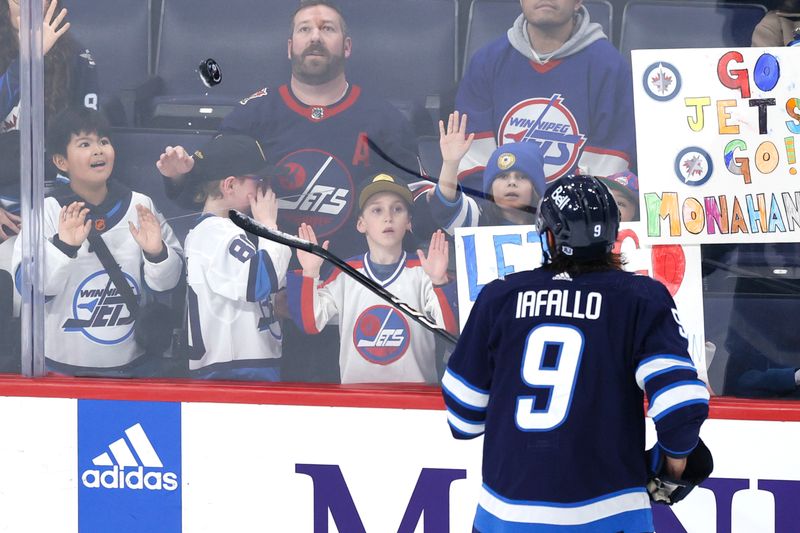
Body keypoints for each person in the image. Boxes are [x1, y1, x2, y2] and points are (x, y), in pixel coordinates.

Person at [157, 0, 426, 383]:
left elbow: (413, 210)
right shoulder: (254, 113)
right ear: (289, 47)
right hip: (266, 315)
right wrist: (180, 176)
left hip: (350, 306)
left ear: (347, 47)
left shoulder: (383, 119)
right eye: (304, 29)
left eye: (327, 28)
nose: (315, 36)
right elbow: (206, 195)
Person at [442, 175, 709, 531]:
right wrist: (672, 471)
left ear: (548, 235)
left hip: (506, 519)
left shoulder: (499, 298)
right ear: (613, 233)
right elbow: (681, 405)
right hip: (612, 517)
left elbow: (463, 419)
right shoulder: (641, 298)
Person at [12, 108, 183, 376]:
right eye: (84, 144)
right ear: (60, 161)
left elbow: (168, 284)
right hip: (60, 372)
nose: (98, 150)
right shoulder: (45, 211)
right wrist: (64, 247)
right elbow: (30, 289)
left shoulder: (140, 204)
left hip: (133, 370)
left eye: (104, 141)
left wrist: (157, 254)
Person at [454, 0, 635, 199]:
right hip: (498, 217)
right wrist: (500, 210)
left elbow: (611, 161)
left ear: (578, 2)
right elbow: (474, 161)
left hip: (575, 220)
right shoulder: (487, 61)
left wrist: (565, 213)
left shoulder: (609, 67)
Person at [288, 173, 457, 384]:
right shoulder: (345, 273)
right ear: (361, 224)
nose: (388, 217)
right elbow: (311, 323)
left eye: (398, 209)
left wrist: (440, 281)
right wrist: (310, 273)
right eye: (377, 210)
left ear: (408, 222)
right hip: (359, 402)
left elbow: (451, 332)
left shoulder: (424, 272)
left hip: (418, 401)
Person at [183, 134, 291, 381]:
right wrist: (268, 224)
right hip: (233, 373)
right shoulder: (215, 232)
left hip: (242, 366)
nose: (264, 188)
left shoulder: (228, 230)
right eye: (257, 180)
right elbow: (257, 284)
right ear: (229, 185)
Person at [0, 0, 99, 242]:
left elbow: (87, 135)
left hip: (57, 198)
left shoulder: (77, 57)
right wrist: (27, 60)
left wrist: (64, 202)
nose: (29, 6)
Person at [424, 111, 546, 235]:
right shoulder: (478, 222)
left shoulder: (554, 228)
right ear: (491, 187)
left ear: (534, 188)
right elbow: (446, 207)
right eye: (503, 176)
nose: (512, 182)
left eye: (522, 177)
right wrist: (450, 163)